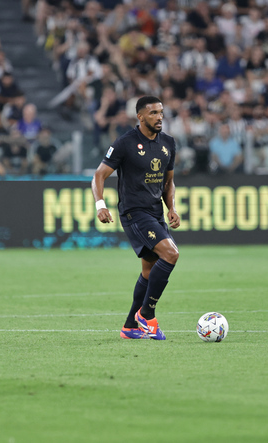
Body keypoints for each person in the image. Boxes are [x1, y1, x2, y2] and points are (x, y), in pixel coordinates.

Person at [91, 96, 180, 340]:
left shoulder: (169, 143)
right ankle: (147, 314)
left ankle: (130, 326)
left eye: (161, 112)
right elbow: (99, 176)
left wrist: (171, 208)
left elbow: (168, 181)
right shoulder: (125, 143)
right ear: (140, 117)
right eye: (153, 113)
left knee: (150, 271)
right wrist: (100, 204)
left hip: (155, 212)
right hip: (134, 213)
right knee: (171, 254)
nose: (159, 117)